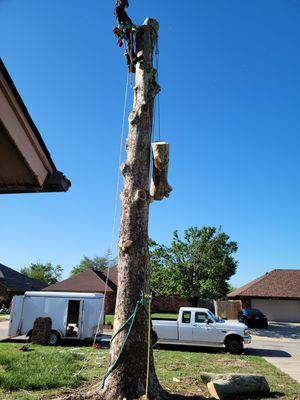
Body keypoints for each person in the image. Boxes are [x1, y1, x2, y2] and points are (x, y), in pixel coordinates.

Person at [113, 0, 139, 73]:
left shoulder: (121, 11)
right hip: (125, 28)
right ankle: (132, 60)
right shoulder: (119, 9)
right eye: (124, 5)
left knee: (129, 43)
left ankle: (130, 64)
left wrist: (132, 26)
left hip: (126, 28)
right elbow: (121, 20)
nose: (125, 7)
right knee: (129, 43)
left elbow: (126, 20)